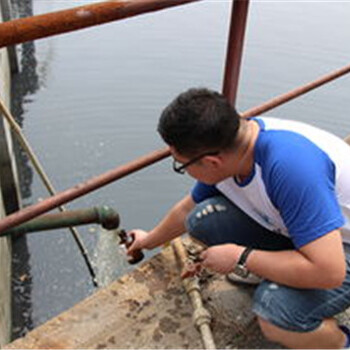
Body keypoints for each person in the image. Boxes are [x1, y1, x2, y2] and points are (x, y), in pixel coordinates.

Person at [127, 87, 350, 349]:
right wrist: (148, 240)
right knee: (203, 219)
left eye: (181, 165)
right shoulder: (235, 149)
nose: (184, 171)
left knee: (275, 314)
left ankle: (338, 342)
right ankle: (275, 271)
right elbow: (186, 210)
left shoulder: (289, 167)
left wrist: (240, 257)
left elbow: (330, 272)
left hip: (338, 252)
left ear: (212, 162)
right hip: (309, 237)